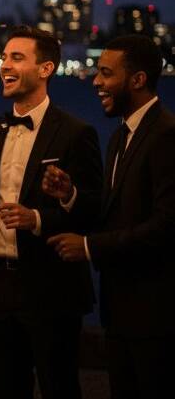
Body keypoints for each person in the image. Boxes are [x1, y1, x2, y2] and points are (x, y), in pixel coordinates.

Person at [0, 26, 103, 399]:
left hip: (51, 286)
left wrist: (39, 217)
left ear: (46, 68)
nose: (5, 65)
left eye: (16, 58)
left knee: (59, 387)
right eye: (4, 57)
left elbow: (93, 212)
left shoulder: (75, 132)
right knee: (6, 388)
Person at [47, 35, 174, 399]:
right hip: (120, 314)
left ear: (137, 80)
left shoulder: (167, 135)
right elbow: (118, 214)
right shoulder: (121, 137)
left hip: (157, 317)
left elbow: (166, 226)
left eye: (106, 73)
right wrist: (69, 195)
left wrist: (88, 247)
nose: (96, 81)